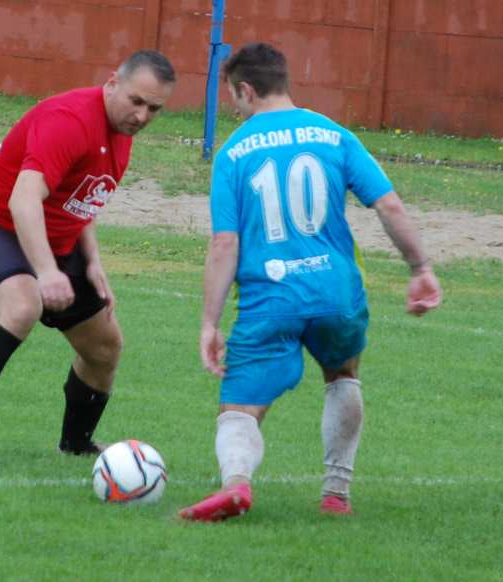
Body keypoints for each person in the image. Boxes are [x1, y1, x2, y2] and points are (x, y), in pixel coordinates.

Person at [178, 43, 441, 521]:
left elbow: (224, 244)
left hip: (269, 297)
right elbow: (390, 206)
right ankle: (336, 492)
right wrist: (420, 269)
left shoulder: (233, 152)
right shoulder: (335, 135)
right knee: (342, 374)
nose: (236, 110)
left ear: (245, 90)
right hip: (336, 291)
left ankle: (237, 483)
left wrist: (209, 322)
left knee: (239, 407)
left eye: (235, 101)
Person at [0, 50, 176, 466]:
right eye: (136, 101)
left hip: (57, 238)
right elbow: (24, 199)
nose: (143, 115)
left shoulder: (120, 133)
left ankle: (76, 444)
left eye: (155, 108)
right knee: (23, 305)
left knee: (104, 347)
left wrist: (91, 260)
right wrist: (46, 273)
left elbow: (80, 198)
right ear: (112, 82)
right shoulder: (72, 119)